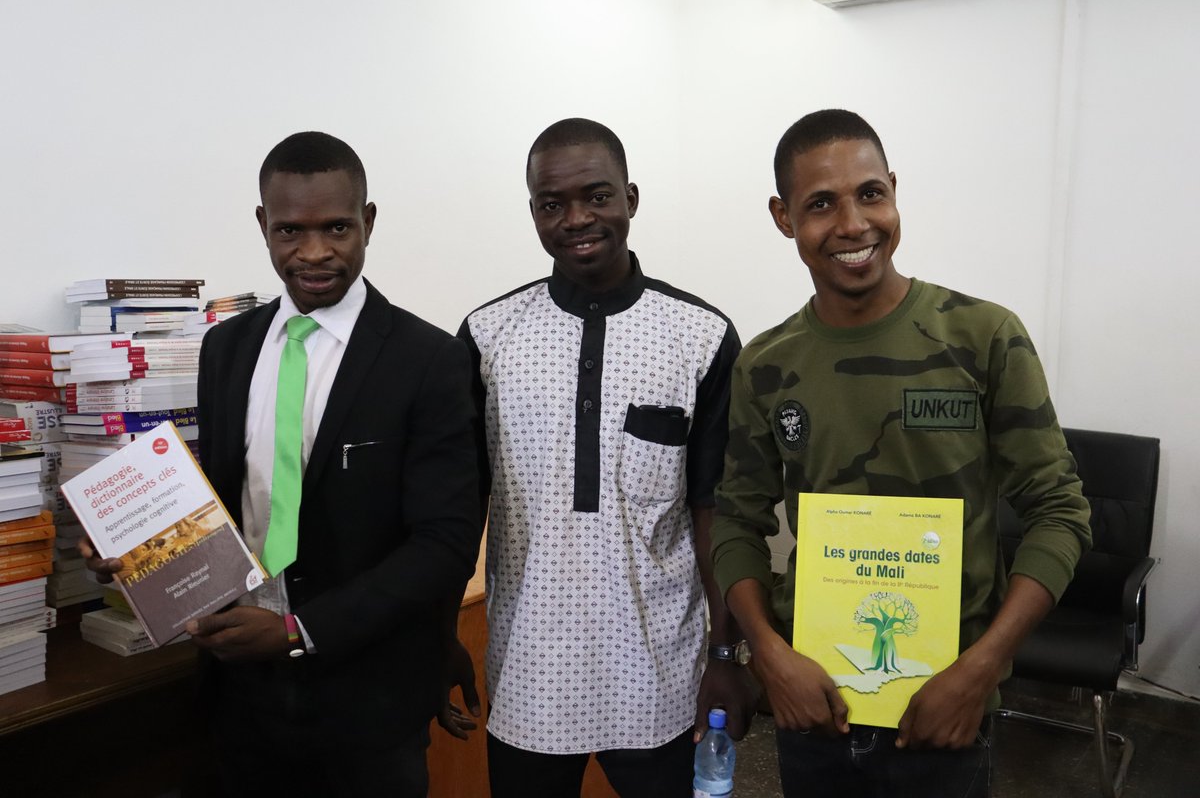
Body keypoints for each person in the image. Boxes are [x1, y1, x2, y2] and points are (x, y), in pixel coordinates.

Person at [81, 131, 481, 797]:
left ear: (369, 221)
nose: (314, 252)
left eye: (337, 228)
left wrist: (300, 632)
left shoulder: (430, 360)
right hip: (241, 690)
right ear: (263, 223)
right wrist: (135, 546)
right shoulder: (226, 349)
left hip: (368, 699)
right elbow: (220, 502)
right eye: (290, 230)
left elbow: (444, 544)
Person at [710, 109, 1092, 798]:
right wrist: (767, 654)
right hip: (813, 706)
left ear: (894, 190)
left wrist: (982, 668)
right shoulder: (765, 364)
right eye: (820, 204)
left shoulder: (983, 338)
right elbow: (737, 520)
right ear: (783, 216)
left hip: (946, 711)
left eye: (870, 194)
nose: (853, 224)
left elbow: (1060, 513)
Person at [455, 118, 756, 798]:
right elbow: (462, 505)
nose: (577, 219)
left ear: (631, 198)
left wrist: (726, 653)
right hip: (528, 671)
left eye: (597, 196)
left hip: (661, 674)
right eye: (552, 204)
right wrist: (438, 633)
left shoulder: (700, 336)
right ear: (533, 211)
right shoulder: (488, 336)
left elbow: (715, 511)